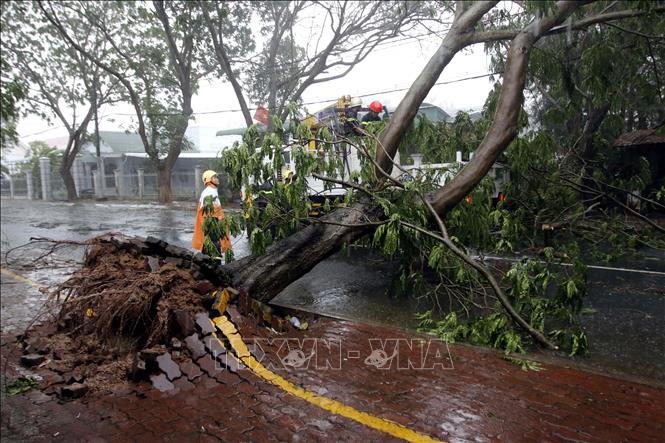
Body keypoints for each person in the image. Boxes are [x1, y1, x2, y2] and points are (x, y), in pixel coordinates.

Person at [192, 170, 232, 254]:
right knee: (214, 243)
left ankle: (205, 262)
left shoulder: (211, 190)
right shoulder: (209, 191)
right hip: (212, 223)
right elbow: (209, 211)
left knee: (209, 243)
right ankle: (215, 263)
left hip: (212, 222)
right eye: (214, 177)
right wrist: (218, 224)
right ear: (209, 180)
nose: (217, 179)